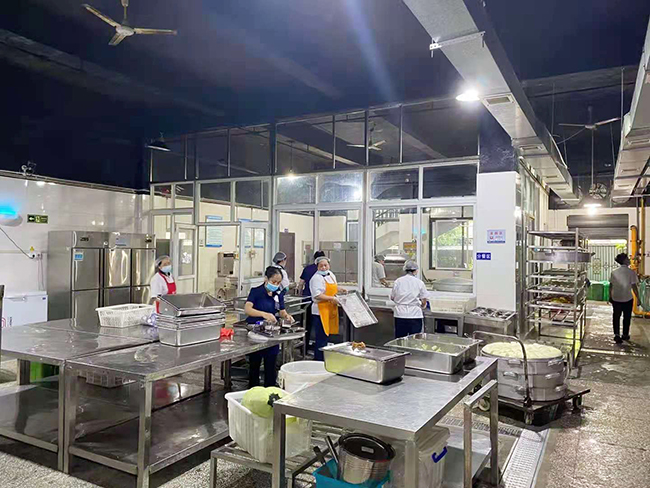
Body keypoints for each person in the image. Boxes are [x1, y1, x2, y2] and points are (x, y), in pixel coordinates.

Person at [244, 266, 295, 387]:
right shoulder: (256, 292)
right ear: (266, 279)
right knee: (255, 365)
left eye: (278, 282)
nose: (276, 284)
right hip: (256, 333)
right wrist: (263, 314)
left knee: (271, 365)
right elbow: (248, 309)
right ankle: (253, 389)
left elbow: (281, 310)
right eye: (274, 281)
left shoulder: (278, 293)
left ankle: (270, 389)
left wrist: (286, 316)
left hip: (272, 334)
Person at [309, 256, 340, 361]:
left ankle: (324, 358)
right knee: (321, 337)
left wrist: (340, 289)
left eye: (325, 265)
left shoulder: (331, 275)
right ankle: (319, 359)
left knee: (326, 336)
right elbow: (317, 295)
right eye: (321, 266)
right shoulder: (316, 278)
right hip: (320, 311)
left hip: (330, 309)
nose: (323, 268)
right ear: (317, 267)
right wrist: (332, 298)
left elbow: (332, 288)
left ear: (329, 265)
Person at [390, 260, 428, 338]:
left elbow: (392, 297)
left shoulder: (398, 281)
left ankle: (400, 347)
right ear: (416, 271)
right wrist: (422, 306)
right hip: (415, 315)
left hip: (400, 314)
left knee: (400, 339)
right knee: (414, 339)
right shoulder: (419, 282)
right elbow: (424, 299)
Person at [298, 251, 326, 352]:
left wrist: (300, 295)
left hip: (306, 300)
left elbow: (301, 284)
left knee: (306, 324)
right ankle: (317, 349)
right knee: (319, 327)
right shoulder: (323, 270)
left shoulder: (307, 269)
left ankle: (303, 348)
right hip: (319, 302)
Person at [609, 253, 639, 344]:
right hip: (627, 298)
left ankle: (616, 335)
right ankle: (625, 334)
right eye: (628, 258)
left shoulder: (614, 272)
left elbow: (611, 286)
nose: (629, 260)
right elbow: (634, 286)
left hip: (616, 298)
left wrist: (610, 296)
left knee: (616, 316)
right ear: (624, 260)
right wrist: (638, 298)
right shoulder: (631, 272)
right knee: (627, 317)